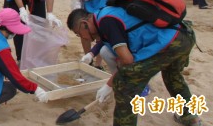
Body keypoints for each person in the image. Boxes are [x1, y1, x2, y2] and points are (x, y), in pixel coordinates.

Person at [67, 8, 199, 126]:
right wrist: (91, 54)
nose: (83, 38)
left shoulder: (106, 22)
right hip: (183, 35)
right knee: (172, 77)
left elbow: (127, 61)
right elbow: (107, 40)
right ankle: (190, 118)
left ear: (84, 23)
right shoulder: (103, 15)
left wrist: (109, 85)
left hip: (167, 44)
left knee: (125, 87)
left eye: (79, 34)